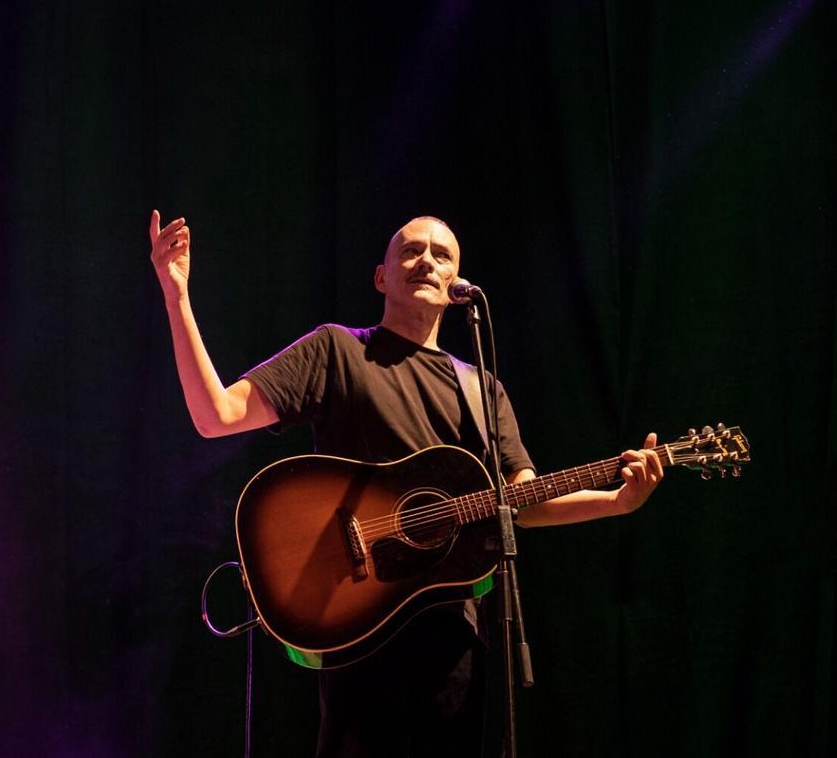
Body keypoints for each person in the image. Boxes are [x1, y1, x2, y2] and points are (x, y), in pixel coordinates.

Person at [149, 210, 663, 757]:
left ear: (455, 286)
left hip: (450, 636)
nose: (427, 262)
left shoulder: (480, 388)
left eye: (442, 256)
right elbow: (216, 415)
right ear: (381, 276)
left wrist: (616, 501)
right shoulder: (338, 351)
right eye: (411, 251)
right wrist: (176, 295)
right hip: (358, 619)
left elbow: (524, 500)